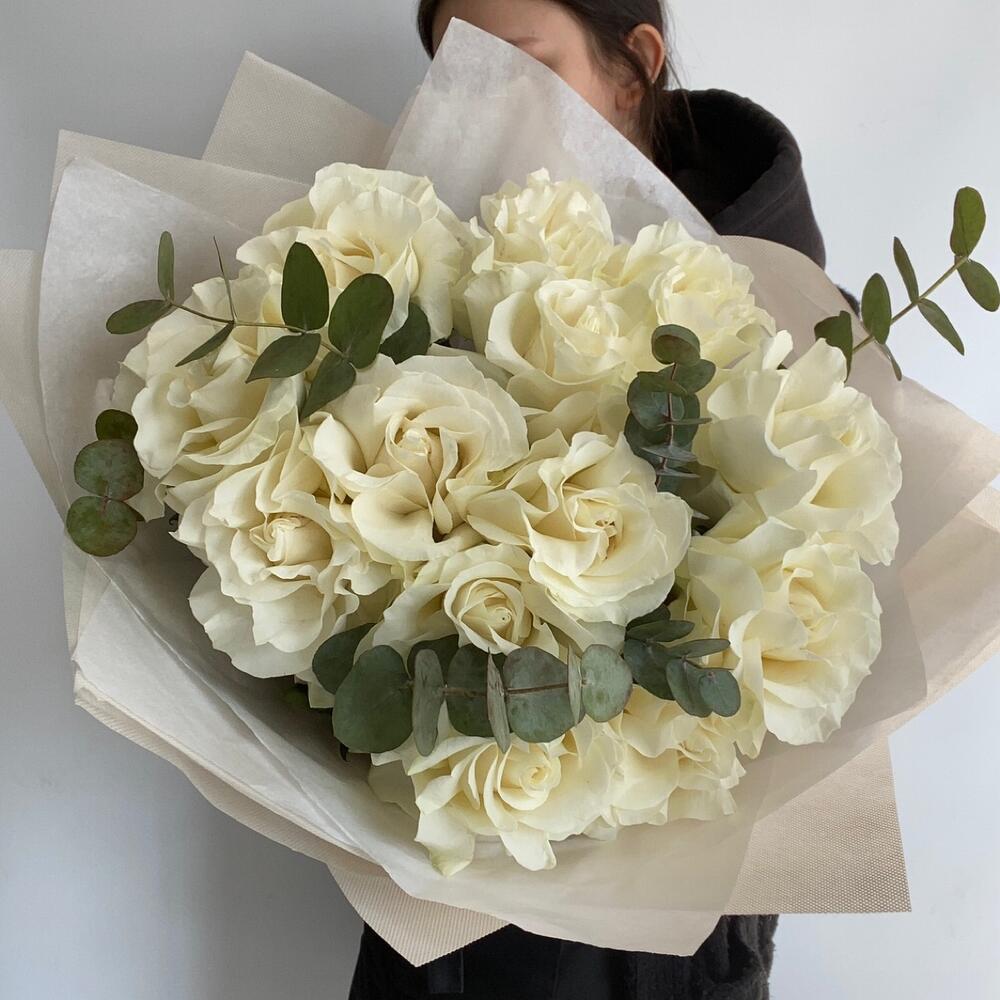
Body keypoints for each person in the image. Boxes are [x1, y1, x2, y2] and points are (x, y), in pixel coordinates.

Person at [350, 2, 856, 997]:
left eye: (511, 63)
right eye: (450, 69)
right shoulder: (421, 269)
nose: (472, 99)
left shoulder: (780, 310)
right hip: (446, 871)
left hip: (661, 913)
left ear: (633, 67)